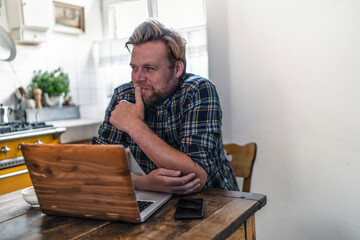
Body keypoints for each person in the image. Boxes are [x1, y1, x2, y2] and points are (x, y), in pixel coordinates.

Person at [93, 19, 239, 194]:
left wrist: (135, 126)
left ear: (177, 69)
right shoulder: (123, 96)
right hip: (155, 200)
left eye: (149, 68)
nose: (138, 78)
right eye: (134, 67)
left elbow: (196, 177)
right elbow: (97, 168)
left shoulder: (198, 91)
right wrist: (143, 183)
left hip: (215, 202)